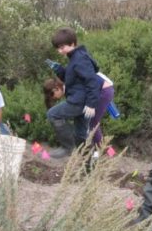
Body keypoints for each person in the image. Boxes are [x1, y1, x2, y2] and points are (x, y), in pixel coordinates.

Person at [45, 27, 107, 156]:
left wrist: (91, 104)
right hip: (82, 101)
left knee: (53, 114)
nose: (59, 51)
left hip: (79, 102)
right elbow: (72, 79)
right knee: (81, 134)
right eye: (58, 48)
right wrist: (58, 69)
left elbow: (92, 82)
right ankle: (87, 165)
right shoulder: (75, 58)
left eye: (62, 47)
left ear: (73, 43)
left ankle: (68, 147)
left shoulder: (80, 59)